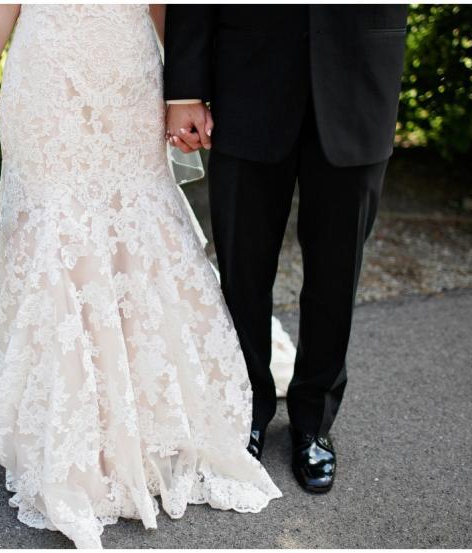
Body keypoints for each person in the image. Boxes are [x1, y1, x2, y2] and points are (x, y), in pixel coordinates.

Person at [0, 5, 281, 549]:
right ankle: (74, 424)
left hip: (127, 72)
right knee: (55, 227)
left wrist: (185, 91)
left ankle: (146, 414)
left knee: (133, 219)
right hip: (48, 73)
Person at [164, 5, 408, 494]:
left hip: (360, 72)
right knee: (243, 268)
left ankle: (314, 421)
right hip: (247, 73)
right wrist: (186, 88)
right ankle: (245, 408)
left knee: (337, 271)